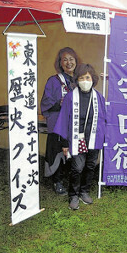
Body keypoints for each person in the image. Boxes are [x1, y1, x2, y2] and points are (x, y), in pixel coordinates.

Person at [54, 64, 106, 210]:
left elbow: (104, 120)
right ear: (77, 80)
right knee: (77, 168)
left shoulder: (99, 98)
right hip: (76, 139)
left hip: (93, 139)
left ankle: (84, 191)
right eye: (81, 78)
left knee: (90, 166)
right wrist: (65, 144)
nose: (85, 81)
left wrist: (103, 139)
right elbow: (64, 121)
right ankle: (73, 195)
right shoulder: (71, 98)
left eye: (87, 77)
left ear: (93, 79)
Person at [40, 47, 79, 195]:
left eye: (71, 59)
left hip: (74, 124)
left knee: (74, 152)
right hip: (58, 124)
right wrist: (59, 103)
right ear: (60, 63)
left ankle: (71, 178)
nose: (69, 62)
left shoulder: (79, 79)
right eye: (65, 59)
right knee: (57, 152)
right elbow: (45, 102)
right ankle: (57, 181)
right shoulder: (54, 81)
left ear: (76, 61)